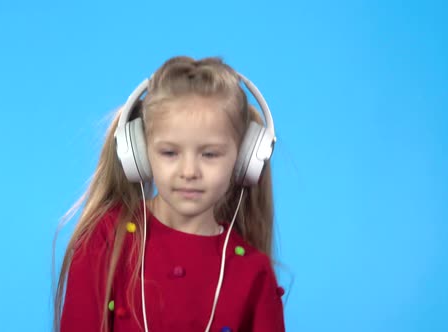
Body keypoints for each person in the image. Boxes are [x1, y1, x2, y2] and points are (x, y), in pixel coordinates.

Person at [53, 56, 286, 332]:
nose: (189, 171)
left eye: (210, 154)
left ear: (245, 159)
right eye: (170, 152)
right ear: (139, 153)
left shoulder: (253, 272)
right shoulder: (106, 239)